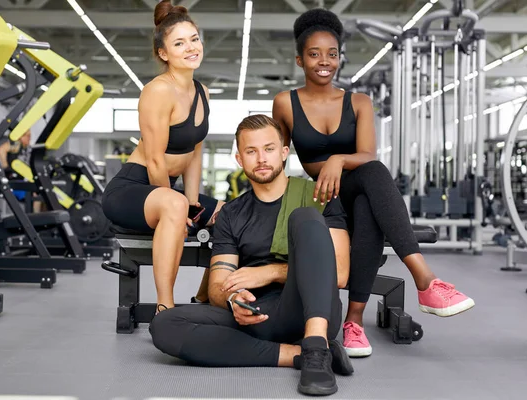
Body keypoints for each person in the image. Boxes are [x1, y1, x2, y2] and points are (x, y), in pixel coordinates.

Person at [272, 8, 475, 358]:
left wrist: (337, 159)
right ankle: (409, 289)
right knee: (370, 197)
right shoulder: (285, 104)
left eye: (332, 54)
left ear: (340, 58)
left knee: (371, 184)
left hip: (357, 186)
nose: (325, 61)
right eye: (314, 54)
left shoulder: (359, 102)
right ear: (300, 59)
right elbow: (278, 154)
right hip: (322, 196)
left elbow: (367, 154)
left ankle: (361, 319)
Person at [150, 114, 354, 397]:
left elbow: (340, 274)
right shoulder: (231, 215)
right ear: (239, 159)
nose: (261, 158)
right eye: (251, 151)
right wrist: (233, 299)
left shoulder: (319, 196)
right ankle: (297, 355)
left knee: (305, 218)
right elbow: (219, 285)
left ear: (284, 153)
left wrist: (269, 272)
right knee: (165, 325)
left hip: (309, 310)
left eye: (269, 149)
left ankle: (317, 347)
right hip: (257, 316)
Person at [101, 0, 222, 312]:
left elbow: (195, 150)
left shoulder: (202, 92)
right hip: (133, 189)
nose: (191, 47)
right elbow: (155, 161)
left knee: (232, 215)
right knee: (174, 202)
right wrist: (180, 208)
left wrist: (193, 201)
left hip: (168, 190)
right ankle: (164, 307)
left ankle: (204, 298)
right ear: (163, 53)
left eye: (194, 39)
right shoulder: (157, 91)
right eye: (179, 43)